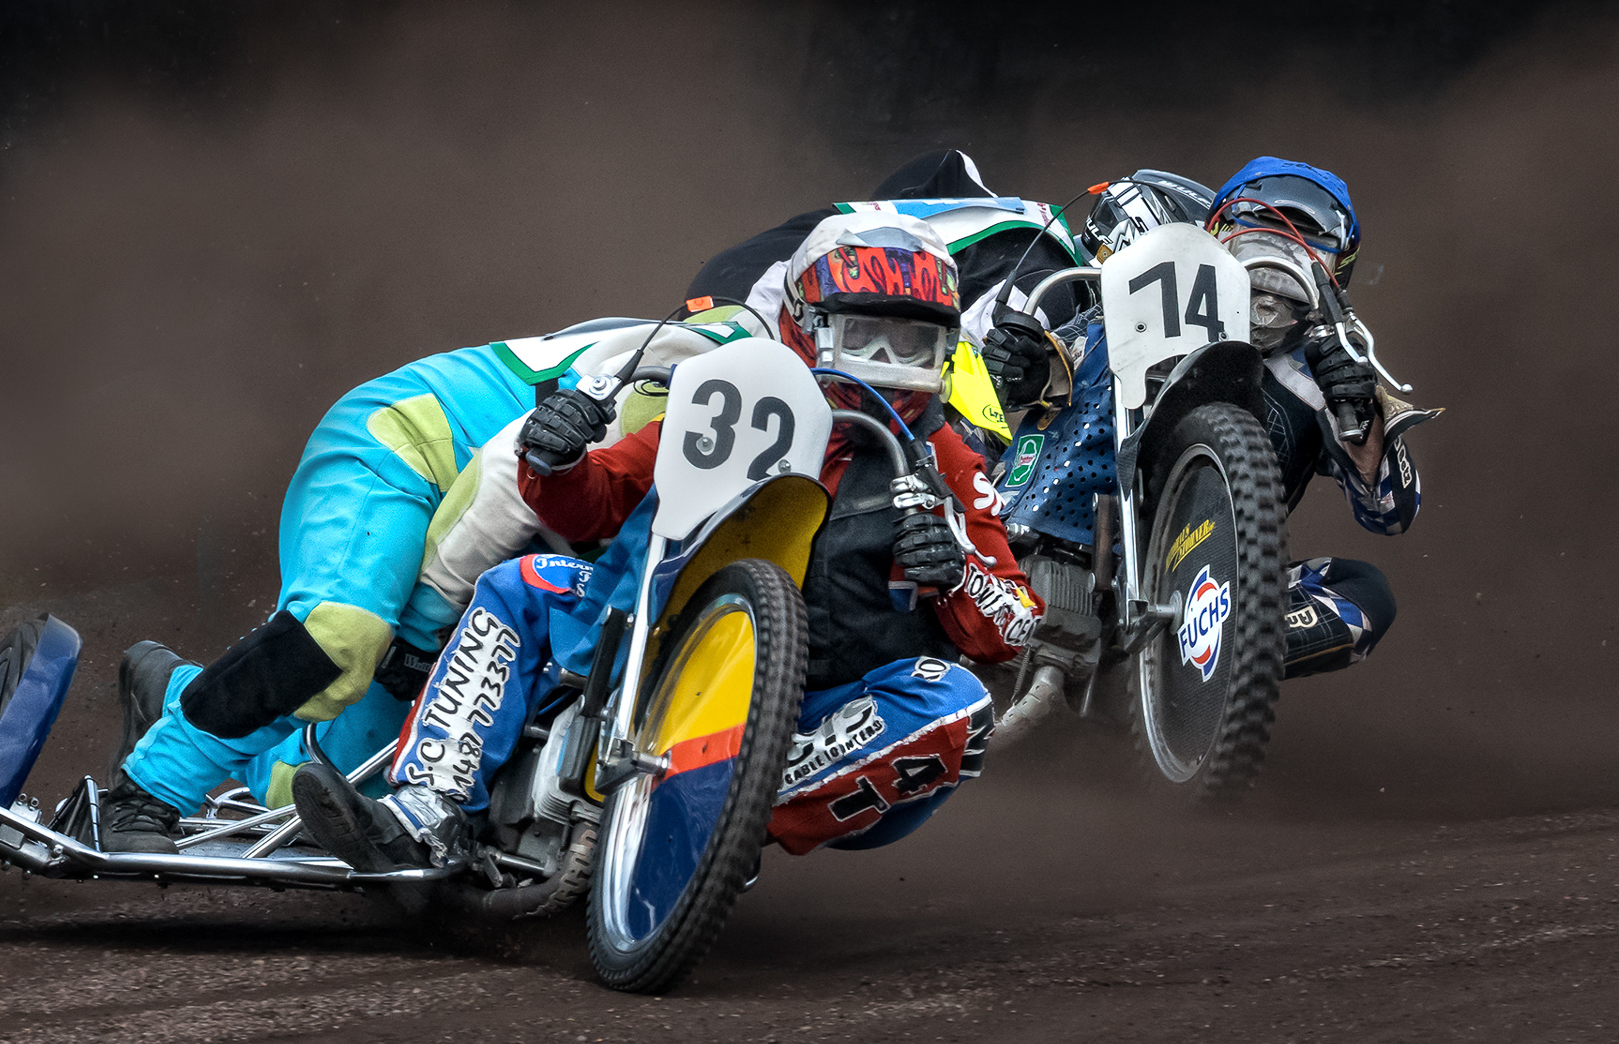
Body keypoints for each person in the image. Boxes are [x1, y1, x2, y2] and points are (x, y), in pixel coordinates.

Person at [290, 210, 1047, 870]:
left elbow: (1013, 623)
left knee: (953, 702)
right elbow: (600, 501)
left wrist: (957, 573)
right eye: (865, 337)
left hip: (817, 707)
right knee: (526, 582)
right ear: (804, 324)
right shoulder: (729, 400)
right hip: (645, 640)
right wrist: (555, 459)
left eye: (911, 345)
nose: (887, 368)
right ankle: (427, 810)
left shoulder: (947, 458)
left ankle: (724, 801)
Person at [97, 309, 774, 852]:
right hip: (407, 444)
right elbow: (507, 478)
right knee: (341, 639)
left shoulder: (799, 403)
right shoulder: (704, 376)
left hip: (502, 525)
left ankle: (174, 693)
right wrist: (421, 632)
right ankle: (145, 792)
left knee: (341, 781)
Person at [980, 157, 1439, 679]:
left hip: (1196, 593)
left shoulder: (1331, 371)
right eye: (1258, 243)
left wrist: (1358, 406)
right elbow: (1022, 379)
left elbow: (1391, 512)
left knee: (1365, 594)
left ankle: (1204, 667)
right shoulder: (1138, 305)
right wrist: (1024, 360)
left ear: (1335, 276)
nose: (1273, 279)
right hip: (1037, 543)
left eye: (1301, 255)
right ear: (1218, 239)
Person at [689, 149, 1092, 463]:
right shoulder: (1056, 272)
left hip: (739, 284)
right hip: (757, 298)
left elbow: (944, 165)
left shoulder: (984, 210)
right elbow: (977, 365)